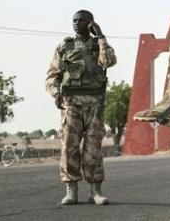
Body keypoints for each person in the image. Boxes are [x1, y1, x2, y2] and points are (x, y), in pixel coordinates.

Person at [46, 10, 115, 205]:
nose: (76, 23)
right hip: (71, 103)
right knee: (69, 146)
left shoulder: (98, 45)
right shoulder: (64, 47)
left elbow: (109, 61)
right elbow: (52, 75)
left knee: (93, 148)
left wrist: (100, 36)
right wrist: (56, 93)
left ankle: (95, 191)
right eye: (74, 20)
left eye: (81, 20)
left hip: (95, 103)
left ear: (90, 22)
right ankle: (71, 189)